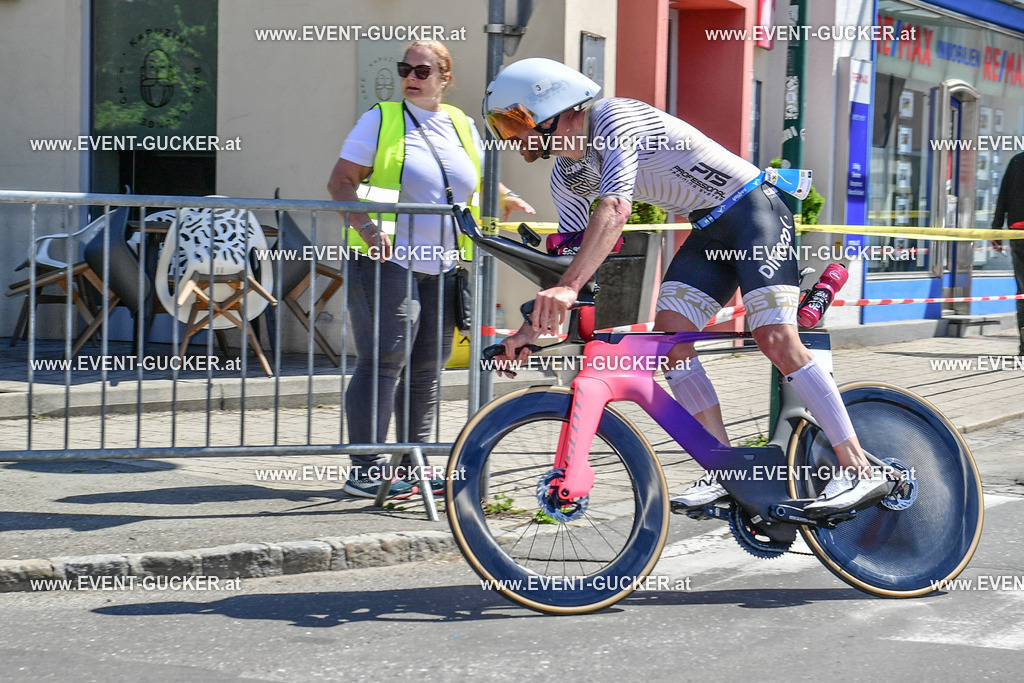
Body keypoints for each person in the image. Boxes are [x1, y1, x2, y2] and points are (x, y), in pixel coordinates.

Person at [482, 57, 888, 517]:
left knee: (775, 337)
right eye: (500, 127)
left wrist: (569, 286)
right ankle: (726, 470)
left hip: (754, 211)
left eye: (512, 123)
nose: (508, 138)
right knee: (672, 340)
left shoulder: (613, 118)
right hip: (709, 230)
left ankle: (858, 467)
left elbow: (615, 210)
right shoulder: (566, 175)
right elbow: (572, 266)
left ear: (549, 109)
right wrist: (526, 333)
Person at [327, 40, 534, 499]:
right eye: (405, 69)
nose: (411, 78)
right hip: (384, 260)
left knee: (426, 369)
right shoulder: (381, 119)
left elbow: (475, 178)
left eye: (422, 71)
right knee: (384, 361)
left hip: (442, 264)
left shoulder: (460, 123)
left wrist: (506, 197)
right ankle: (366, 469)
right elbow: (341, 181)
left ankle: (413, 464)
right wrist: (365, 228)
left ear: (445, 78)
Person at [991, 151, 1024, 357]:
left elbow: (1002, 196)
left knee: (1023, 291)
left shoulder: (1017, 161)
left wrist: (996, 230)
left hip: (1018, 232)